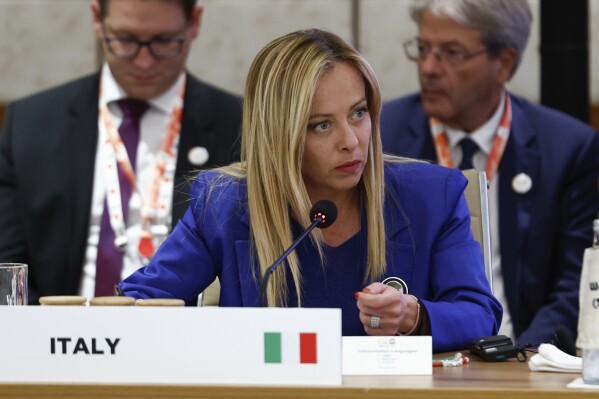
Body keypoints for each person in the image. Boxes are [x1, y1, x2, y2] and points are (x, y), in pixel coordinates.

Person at [119, 28, 501, 352]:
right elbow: (144, 303)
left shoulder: (432, 197)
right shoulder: (223, 204)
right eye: (321, 125)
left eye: (358, 113)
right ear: (279, 136)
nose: (351, 141)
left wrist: (411, 315)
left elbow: (480, 314)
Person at [380, 0, 599, 346]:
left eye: (452, 53)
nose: (429, 68)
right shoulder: (382, 139)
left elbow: (575, 283)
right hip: (420, 353)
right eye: (423, 49)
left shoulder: (567, 149)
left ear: (505, 63)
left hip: (524, 354)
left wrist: (523, 361)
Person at [0, 0, 242, 304]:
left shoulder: (240, 126)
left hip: (185, 338)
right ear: (97, 20)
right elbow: (8, 271)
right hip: (61, 336)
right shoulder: (32, 125)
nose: (143, 61)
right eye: (125, 40)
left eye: (164, 41)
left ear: (193, 23)